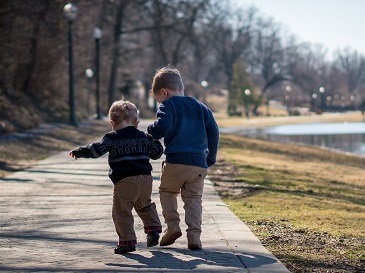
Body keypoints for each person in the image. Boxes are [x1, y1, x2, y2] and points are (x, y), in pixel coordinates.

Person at [69, 99, 163, 254]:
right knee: (145, 205)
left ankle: (127, 241)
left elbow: (95, 150)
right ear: (136, 123)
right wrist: (157, 141)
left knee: (121, 211)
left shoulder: (111, 138)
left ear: (112, 122)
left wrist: (79, 151)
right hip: (145, 180)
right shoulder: (143, 136)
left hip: (125, 181)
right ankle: (153, 229)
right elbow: (156, 153)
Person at [147, 66, 219, 250]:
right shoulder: (201, 107)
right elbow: (214, 131)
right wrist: (210, 157)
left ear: (164, 92)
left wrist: (151, 131)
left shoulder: (168, 105)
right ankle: (194, 237)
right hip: (198, 164)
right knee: (194, 199)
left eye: (158, 99)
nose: (159, 102)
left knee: (167, 191)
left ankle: (172, 226)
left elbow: (162, 127)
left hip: (175, 161)